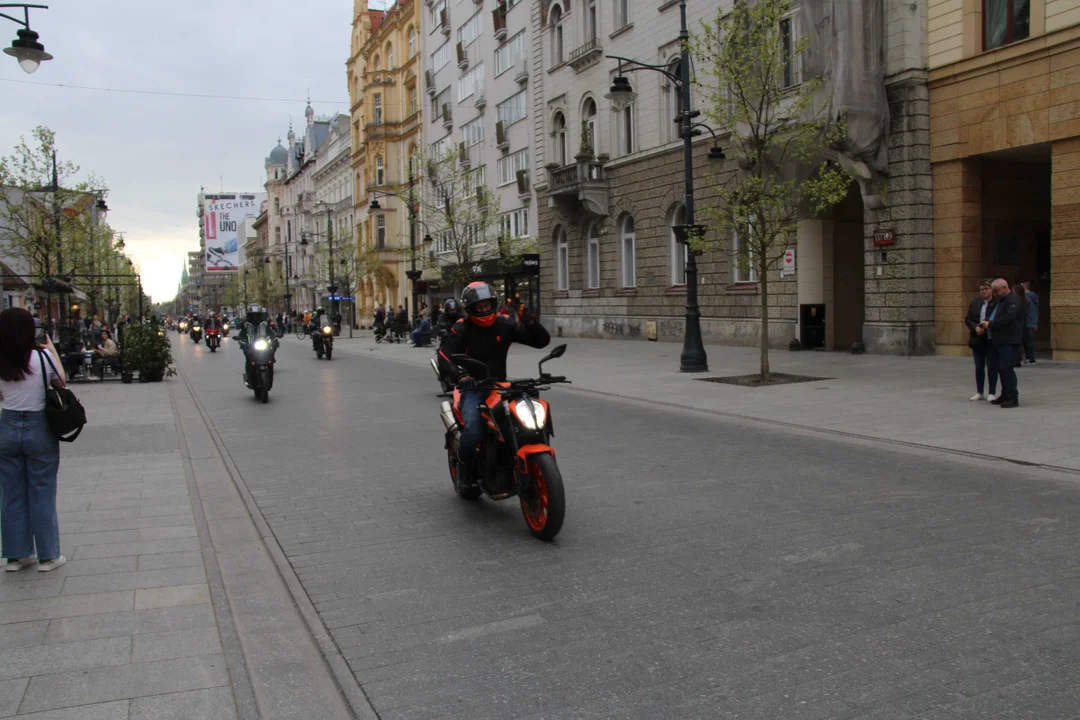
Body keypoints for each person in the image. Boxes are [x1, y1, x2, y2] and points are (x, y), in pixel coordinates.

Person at [437, 282, 551, 485]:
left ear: (493, 303)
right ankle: (464, 473)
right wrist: (461, 377)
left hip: (501, 387)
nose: (484, 310)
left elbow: (541, 342)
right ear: (470, 308)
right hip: (473, 388)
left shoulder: (504, 324)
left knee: (529, 420)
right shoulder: (462, 327)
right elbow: (444, 356)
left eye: (487, 305)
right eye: (478, 306)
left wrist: (531, 322)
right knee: (472, 430)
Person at [0, 307, 68, 572]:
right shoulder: (41, 358)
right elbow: (61, 381)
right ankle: (49, 556)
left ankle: (17, 556)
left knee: (11, 494)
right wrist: (51, 350)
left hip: (6, 427)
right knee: (42, 491)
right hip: (39, 427)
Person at [980, 279, 1023, 408]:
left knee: (1006, 369)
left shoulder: (1013, 301)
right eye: (994, 291)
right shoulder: (1001, 301)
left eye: (997, 291)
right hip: (999, 340)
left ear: (1005, 287)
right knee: (1001, 369)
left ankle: (1012, 397)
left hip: (1008, 340)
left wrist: (991, 324)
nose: (995, 294)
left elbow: (1008, 318)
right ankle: (1005, 394)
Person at [964, 279, 998, 401]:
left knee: (992, 366)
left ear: (992, 290)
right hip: (977, 339)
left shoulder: (997, 303)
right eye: (982, 289)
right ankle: (979, 391)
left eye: (986, 289)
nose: (984, 291)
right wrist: (975, 328)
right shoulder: (975, 302)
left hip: (991, 339)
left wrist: (987, 325)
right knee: (979, 367)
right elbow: (968, 319)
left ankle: (992, 392)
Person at [237, 305, 277, 386]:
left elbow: (271, 332)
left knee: (270, 361)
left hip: (263, 345)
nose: (255, 316)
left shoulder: (265, 324)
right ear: (249, 315)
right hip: (250, 346)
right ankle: (249, 379)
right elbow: (241, 334)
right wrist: (241, 342)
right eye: (253, 314)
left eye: (257, 314)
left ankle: (269, 380)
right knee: (249, 362)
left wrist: (274, 339)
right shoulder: (246, 324)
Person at [1021, 281, 1039, 364]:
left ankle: (1031, 359)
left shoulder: (1026, 297)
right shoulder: (1033, 296)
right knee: (1028, 341)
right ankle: (1029, 358)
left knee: (1027, 341)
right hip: (1032, 321)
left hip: (1027, 321)